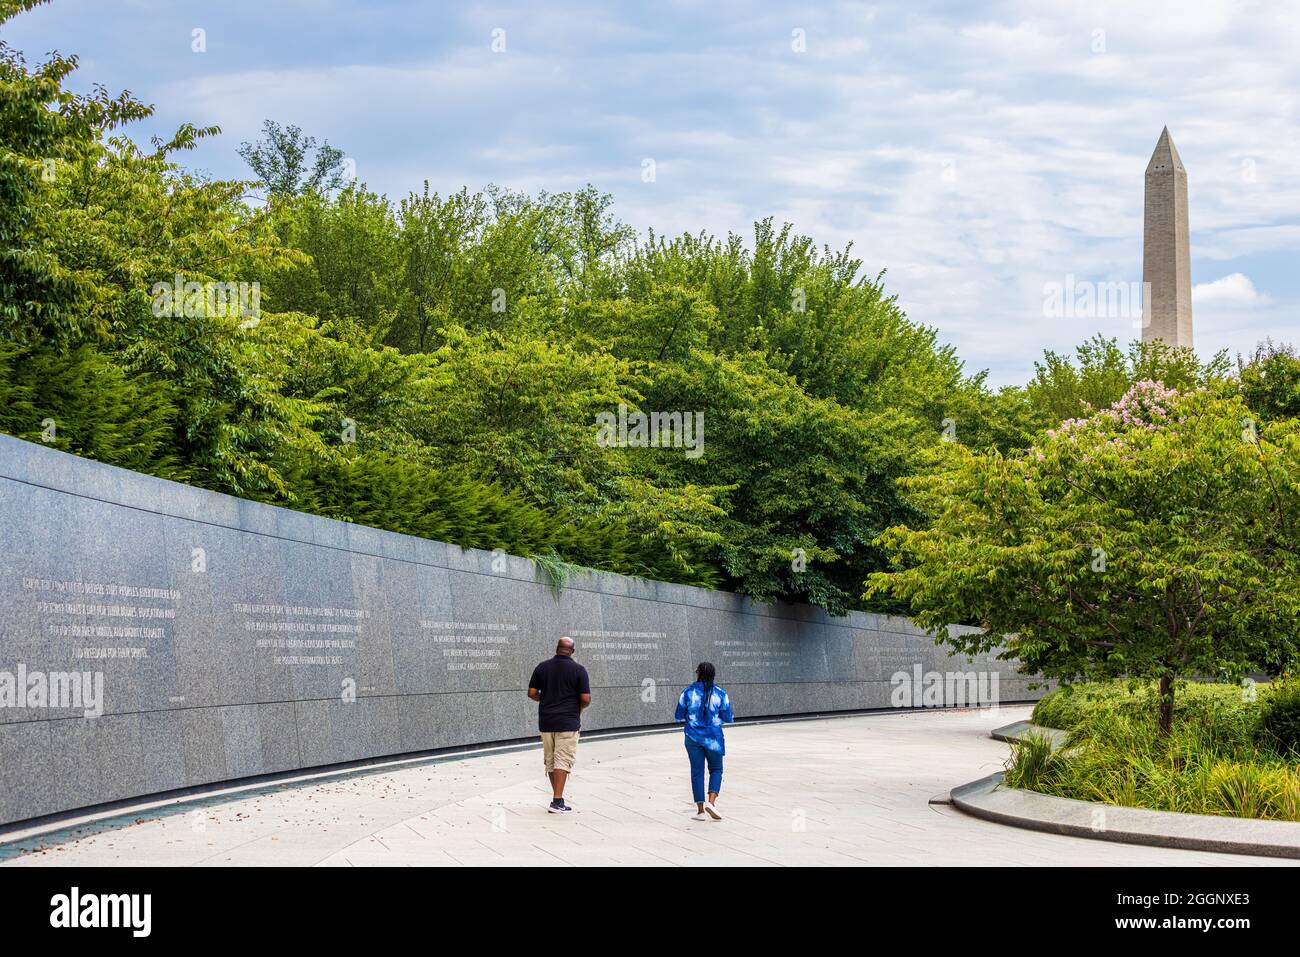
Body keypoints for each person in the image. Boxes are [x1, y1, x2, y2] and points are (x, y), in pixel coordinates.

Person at [527, 636, 591, 813]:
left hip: (546, 722)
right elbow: (585, 698)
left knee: (551, 760)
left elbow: (532, 692)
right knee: (562, 760)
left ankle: (558, 798)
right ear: (573, 651)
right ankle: (556, 801)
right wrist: (579, 707)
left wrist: (544, 698)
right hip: (568, 722)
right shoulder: (579, 670)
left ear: (557, 648)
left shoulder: (542, 667)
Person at [674, 662, 734, 821]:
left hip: (692, 737)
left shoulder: (687, 692)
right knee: (716, 770)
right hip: (714, 738)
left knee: (697, 772)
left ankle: (700, 811)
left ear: (698, 673)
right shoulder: (721, 694)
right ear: (713, 675)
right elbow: (729, 718)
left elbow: (678, 715)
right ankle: (712, 803)